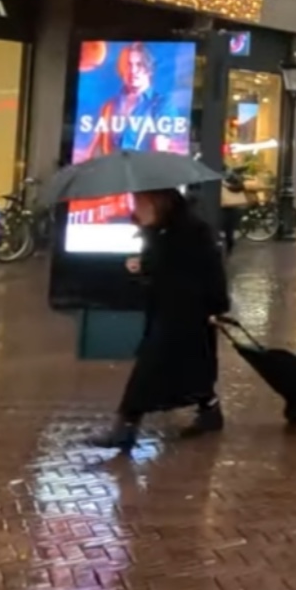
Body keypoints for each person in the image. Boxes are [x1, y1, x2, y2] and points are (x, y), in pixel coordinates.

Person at [89, 189, 230, 449]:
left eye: (141, 202)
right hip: (167, 310)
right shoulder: (160, 230)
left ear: (160, 203)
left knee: (149, 367)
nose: (137, 207)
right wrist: (143, 261)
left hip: (187, 312)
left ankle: (126, 425)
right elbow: (159, 269)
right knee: (192, 365)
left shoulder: (191, 232)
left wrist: (217, 307)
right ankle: (210, 410)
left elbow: (208, 271)